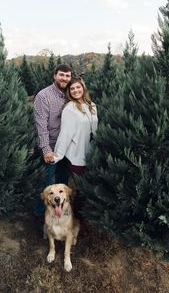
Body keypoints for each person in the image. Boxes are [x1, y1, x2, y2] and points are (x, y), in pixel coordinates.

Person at [53, 77, 98, 230]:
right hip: (76, 155)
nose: (75, 91)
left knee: (88, 187)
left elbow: (95, 130)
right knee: (83, 188)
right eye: (72, 89)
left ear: (83, 88)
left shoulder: (92, 106)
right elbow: (65, 133)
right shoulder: (70, 108)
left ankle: (79, 214)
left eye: (78, 87)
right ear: (69, 92)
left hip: (91, 153)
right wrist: (58, 155)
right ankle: (80, 220)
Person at [33, 64, 72, 216]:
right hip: (51, 147)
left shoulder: (69, 94)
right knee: (47, 183)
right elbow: (40, 125)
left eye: (68, 76)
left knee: (63, 182)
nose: (65, 78)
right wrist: (46, 149)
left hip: (66, 147)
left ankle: (60, 212)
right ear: (54, 75)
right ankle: (40, 213)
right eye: (61, 75)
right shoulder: (44, 96)